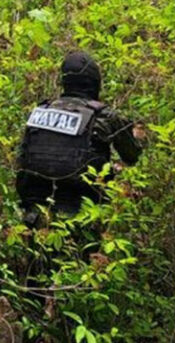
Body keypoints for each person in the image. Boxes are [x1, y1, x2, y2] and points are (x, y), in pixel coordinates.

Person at [16, 51, 144, 225]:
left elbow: (23, 158)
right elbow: (133, 155)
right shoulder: (105, 116)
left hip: (35, 214)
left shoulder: (41, 111)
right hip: (84, 216)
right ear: (94, 81)